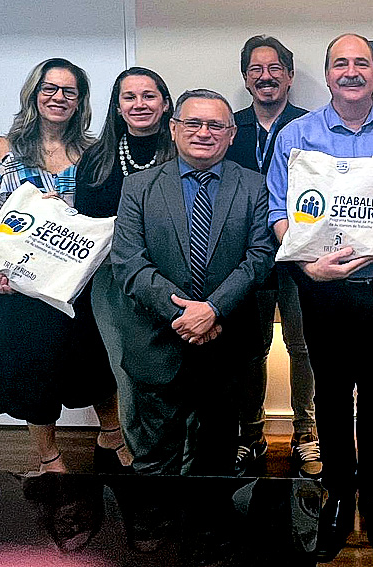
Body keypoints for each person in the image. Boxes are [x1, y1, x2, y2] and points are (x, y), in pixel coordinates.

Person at [267, 33, 373, 562]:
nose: (351, 71)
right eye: (341, 63)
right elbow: (277, 213)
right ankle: (339, 493)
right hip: (321, 286)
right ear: (328, 73)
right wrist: (306, 265)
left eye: (361, 62)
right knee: (333, 395)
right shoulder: (297, 133)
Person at [0, 58, 126, 474]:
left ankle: (112, 435)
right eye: (50, 88)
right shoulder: (2, 150)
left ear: (81, 101)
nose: (59, 98)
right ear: (34, 93)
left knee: (98, 363)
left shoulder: (93, 153)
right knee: (34, 372)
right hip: (22, 287)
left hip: (84, 282)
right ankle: (49, 456)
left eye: (70, 91)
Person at [109, 89, 274, 476]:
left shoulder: (255, 186)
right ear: (173, 128)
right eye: (193, 123)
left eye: (216, 125)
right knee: (154, 460)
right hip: (158, 340)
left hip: (227, 342)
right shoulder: (139, 187)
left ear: (231, 134)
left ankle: (210, 535)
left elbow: (260, 258)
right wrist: (185, 314)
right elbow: (129, 263)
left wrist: (213, 309)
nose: (204, 132)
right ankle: (158, 536)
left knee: (217, 458)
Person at [224, 35, 319, 478]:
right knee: (250, 350)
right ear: (246, 79)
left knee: (304, 348)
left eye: (275, 68)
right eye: (256, 70)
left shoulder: (311, 125)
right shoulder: (227, 127)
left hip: (302, 254)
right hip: (244, 258)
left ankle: (307, 433)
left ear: (290, 76)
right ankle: (251, 434)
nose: (266, 76)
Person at [75, 67, 176, 473]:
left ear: (165, 103)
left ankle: (176, 454)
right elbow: (84, 221)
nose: (139, 104)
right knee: (126, 367)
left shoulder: (181, 147)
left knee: (171, 367)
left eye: (149, 96)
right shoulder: (97, 158)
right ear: (117, 106)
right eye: (129, 97)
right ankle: (138, 453)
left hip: (172, 276)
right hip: (112, 282)